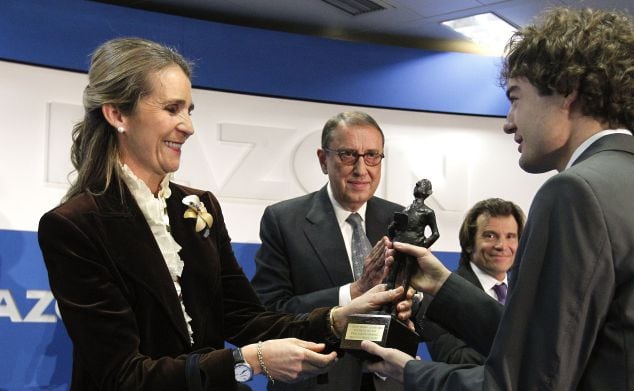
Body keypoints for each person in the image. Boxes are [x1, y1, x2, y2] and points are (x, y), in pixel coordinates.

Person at [37, 38, 410, 391]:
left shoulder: (199, 208)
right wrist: (250, 362)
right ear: (117, 114)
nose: (188, 126)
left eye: (188, 109)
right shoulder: (73, 226)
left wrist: (333, 320)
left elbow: (247, 319)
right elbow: (123, 376)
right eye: (171, 109)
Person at [362, 7, 634, 390]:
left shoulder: (574, 192)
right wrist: (444, 285)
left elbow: (528, 382)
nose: (509, 121)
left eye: (516, 97)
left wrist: (411, 372)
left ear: (566, 92)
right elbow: (550, 347)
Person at [251, 111, 404, 390]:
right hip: (317, 381)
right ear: (323, 160)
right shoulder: (284, 220)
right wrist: (352, 293)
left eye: (372, 155)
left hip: (388, 380)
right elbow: (269, 313)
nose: (361, 169)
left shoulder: (399, 219)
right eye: (348, 155)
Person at [416, 198, 524, 365]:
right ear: (468, 243)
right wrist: (523, 354)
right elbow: (457, 359)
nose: (502, 245)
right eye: (490, 235)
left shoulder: (527, 294)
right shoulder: (439, 296)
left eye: (511, 236)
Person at [385, 179, 439, 303]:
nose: (416, 185)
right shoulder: (406, 209)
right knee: (391, 277)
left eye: (420, 185)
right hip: (399, 247)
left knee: (406, 280)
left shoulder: (428, 212)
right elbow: (394, 227)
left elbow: (435, 234)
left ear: (427, 191)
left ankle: (395, 309)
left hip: (411, 250)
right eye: (417, 184)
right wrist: (393, 233)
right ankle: (386, 305)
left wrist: (421, 247)